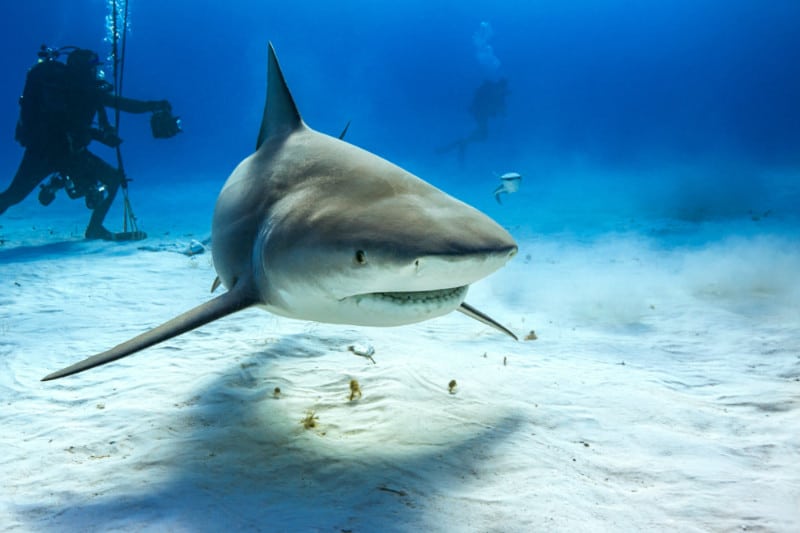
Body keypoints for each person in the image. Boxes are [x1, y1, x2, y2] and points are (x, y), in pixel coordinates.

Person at [0, 46, 175, 240]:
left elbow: (72, 125)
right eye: (93, 67)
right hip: (69, 154)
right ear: (85, 69)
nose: (96, 71)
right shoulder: (88, 90)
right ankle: (95, 228)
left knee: (14, 195)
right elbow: (124, 105)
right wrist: (154, 105)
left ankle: (92, 225)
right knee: (113, 178)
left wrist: (101, 136)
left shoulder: (66, 88)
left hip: (41, 152)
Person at [437, 78, 509, 162]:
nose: (502, 90)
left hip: (480, 114)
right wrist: (502, 111)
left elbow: (498, 109)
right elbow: (498, 109)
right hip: (481, 114)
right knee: (483, 135)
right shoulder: (495, 92)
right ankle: (463, 142)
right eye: (503, 88)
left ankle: (463, 141)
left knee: (482, 135)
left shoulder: (495, 91)